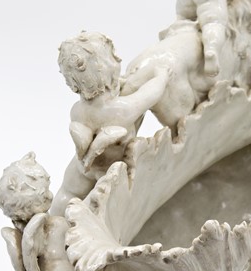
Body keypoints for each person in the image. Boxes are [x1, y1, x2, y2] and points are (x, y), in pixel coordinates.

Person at [51, 31, 168, 214]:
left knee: (68, 192)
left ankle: (53, 216)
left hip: (82, 166)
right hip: (108, 169)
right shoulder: (121, 109)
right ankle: (79, 220)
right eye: (114, 57)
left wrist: (116, 85)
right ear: (107, 68)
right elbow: (151, 94)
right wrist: (162, 76)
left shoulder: (77, 110)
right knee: (98, 205)